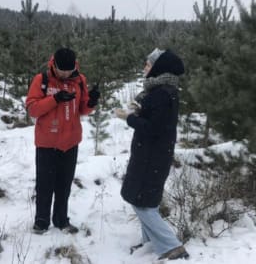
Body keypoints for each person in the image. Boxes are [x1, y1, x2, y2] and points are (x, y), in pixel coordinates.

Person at [115, 48, 189, 260]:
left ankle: (172, 246)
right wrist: (138, 110)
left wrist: (129, 118)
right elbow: (156, 120)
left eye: (148, 65)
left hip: (151, 155)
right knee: (147, 200)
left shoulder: (161, 94)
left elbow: (153, 128)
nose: (144, 68)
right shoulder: (162, 90)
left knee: (140, 200)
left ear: (158, 67)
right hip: (154, 154)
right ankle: (151, 244)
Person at [26, 48, 100, 234]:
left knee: (64, 185)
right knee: (45, 184)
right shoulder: (41, 80)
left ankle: (61, 220)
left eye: (69, 70)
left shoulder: (79, 80)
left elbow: (82, 109)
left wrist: (91, 102)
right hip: (47, 143)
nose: (65, 73)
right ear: (54, 65)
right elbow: (33, 109)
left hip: (70, 143)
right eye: (61, 70)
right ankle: (41, 222)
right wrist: (55, 99)